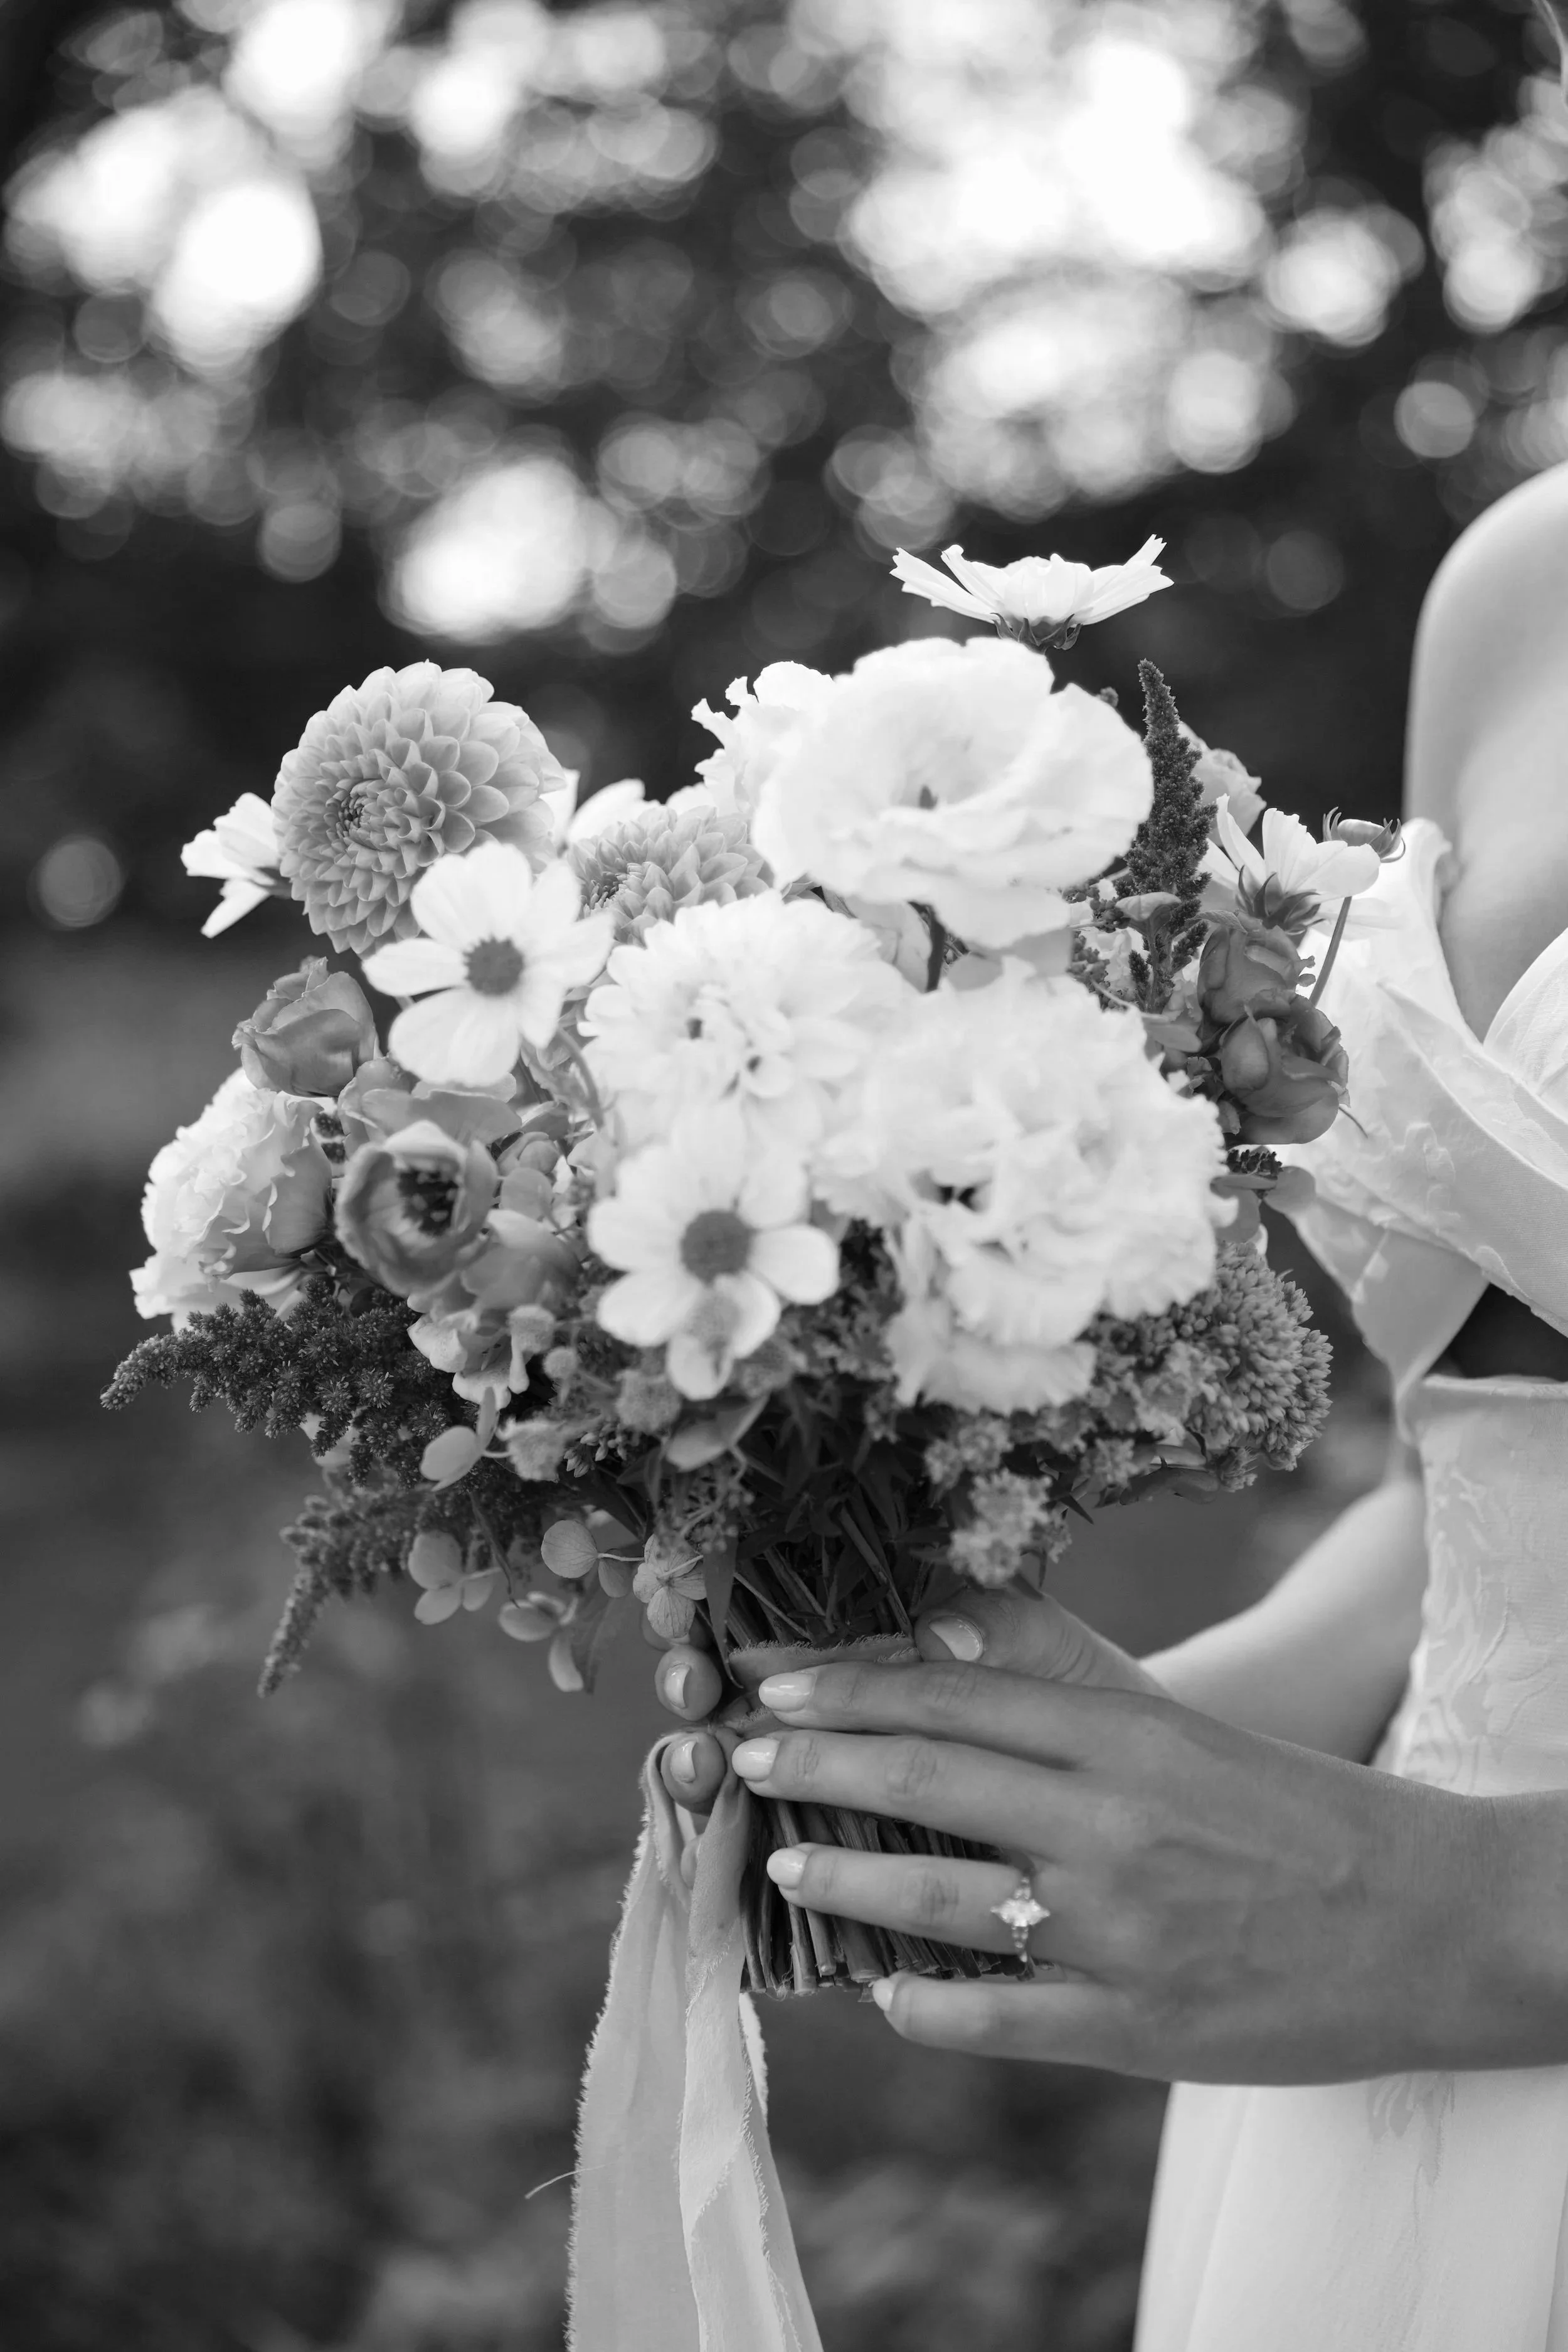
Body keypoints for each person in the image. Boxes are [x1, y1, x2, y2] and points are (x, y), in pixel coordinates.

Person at [645, 455, 1568, 2345]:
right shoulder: (1520, 586)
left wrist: (1477, 1917)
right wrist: (1031, 1758)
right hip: (1377, 2087)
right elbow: (1488, 1455)